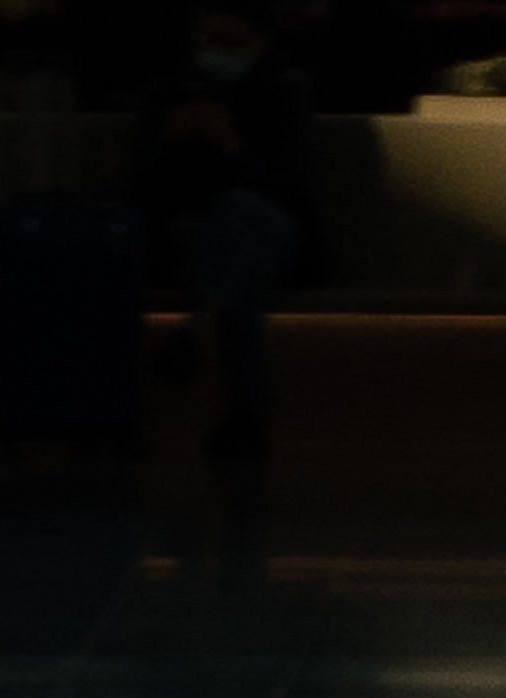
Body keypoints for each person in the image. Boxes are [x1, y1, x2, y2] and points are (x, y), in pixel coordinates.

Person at [131, 3, 322, 470]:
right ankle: (243, 416)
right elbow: (143, 190)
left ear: (259, 44)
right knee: (236, 259)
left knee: (243, 217)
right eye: (211, 42)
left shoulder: (279, 93)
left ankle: (197, 330)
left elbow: (289, 187)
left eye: (232, 44)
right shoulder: (169, 93)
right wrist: (173, 144)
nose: (218, 54)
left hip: (269, 232)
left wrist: (230, 146)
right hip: (187, 234)